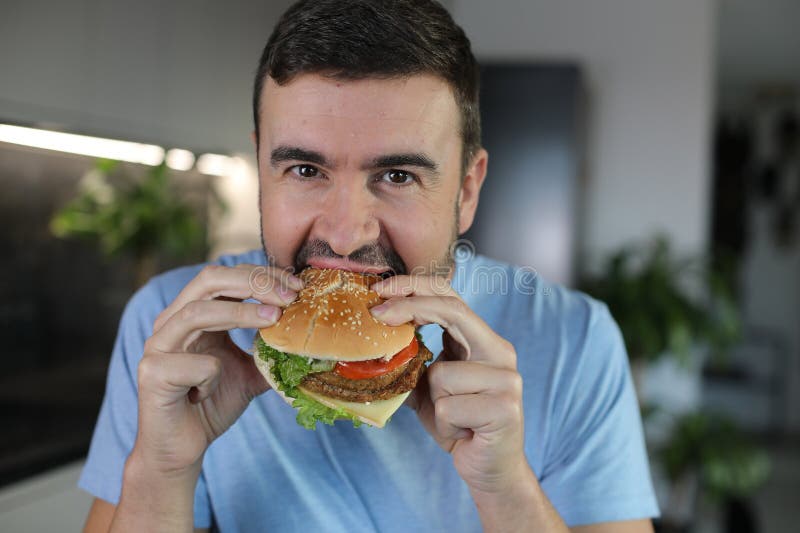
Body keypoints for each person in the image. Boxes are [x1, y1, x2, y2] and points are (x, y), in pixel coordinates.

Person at [80, 1, 660, 531]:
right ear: (262, 170)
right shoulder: (175, 327)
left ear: (466, 190)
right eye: (306, 171)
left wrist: (504, 487)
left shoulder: (575, 343)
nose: (343, 234)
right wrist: (161, 469)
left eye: (398, 176)